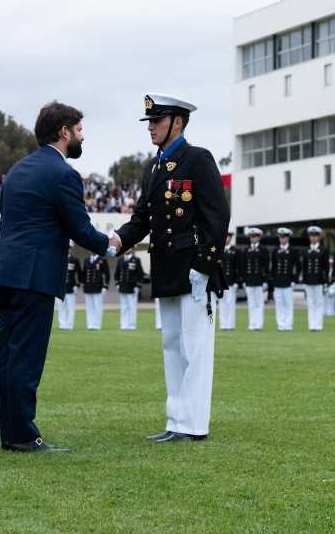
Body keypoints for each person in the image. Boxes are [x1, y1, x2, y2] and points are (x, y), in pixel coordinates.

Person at [0, 101, 113, 453]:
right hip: (34, 276)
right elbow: (80, 229)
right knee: (26, 358)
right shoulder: (63, 174)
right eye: (79, 129)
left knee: (9, 355)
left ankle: (11, 431)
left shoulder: (17, 169)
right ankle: (23, 435)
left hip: (9, 272)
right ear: (64, 132)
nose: (82, 135)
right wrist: (112, 245)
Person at [115, 93, 229, 444]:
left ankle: (194, 424)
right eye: (149, 122)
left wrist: (206, 265)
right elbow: (142, 220)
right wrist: (116, 241)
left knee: (195, 348)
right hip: (166, 268)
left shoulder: (197, 159)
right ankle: (177, 420)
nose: (150, 128)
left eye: (156, 121)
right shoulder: (153, 167)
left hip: (194, 268)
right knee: (172, 344)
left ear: (177, 123)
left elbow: (217, 216)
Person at [301, 226, 329, 332]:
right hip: (308, 280)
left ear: (318, 237)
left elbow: (325, 267)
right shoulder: (306, 250)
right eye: (311, 236)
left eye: (315, 236)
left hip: (318, 280)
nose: (313, 238)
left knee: (318, 303)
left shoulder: (323, 250)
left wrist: (325, 280)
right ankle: (312, 325)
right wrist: (304, 279)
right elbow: (304, 266)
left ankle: (318, 325)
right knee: (311, 303)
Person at [270, 227, 298, 332]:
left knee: (288, 304)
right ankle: (281, 325)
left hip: (288, 281)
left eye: (284, 237)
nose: (282, 239)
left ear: (288, 238)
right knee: (279, 305)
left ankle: (288, 325)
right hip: (278, 281)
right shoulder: (276, 251)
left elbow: (297, 266)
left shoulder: (293, 251)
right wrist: (272, 280)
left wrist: (294, 280)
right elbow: (273, 267)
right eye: (280, 237)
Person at [243, 227, 268, 330]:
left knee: (259, 304)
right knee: (251, 303)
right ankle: (252, 324)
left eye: (255, 237)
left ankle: (259, 324)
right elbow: (243, 266)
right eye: (251, 237)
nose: (252, 238)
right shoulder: (246, 250)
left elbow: (266, 266)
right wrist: (244, 280)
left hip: (259, 281)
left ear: (259, 238)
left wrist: (266, 280)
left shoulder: (263, 250)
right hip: (249, 280)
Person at [115, 248, 145, 330]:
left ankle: (132, 324)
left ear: (132, 249)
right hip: (122, 286)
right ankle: (123, 324)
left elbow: (140, 274)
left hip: (132, 287)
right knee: (124, 307)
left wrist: (138, 286)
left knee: (132, 306)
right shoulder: (120, 260)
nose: (127, 249)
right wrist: (117, 283)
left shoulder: (136, 260)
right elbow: (117, 273)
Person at [81, 252, 109, 330]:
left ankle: (97, 325)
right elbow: (84, 273)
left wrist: (105, 286)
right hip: (88, 287)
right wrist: (83, 284)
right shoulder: (86, 260)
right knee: (89, 307)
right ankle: (90, 324)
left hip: (98, 287)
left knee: (97, 307)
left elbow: (107, 273)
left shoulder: (102, 260)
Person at [219, 233, 241, 331]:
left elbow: (237, 267)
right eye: (225, 236)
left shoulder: (235, 251)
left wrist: (237, 281)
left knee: (230, 303)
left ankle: (230, 324)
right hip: (221, 281)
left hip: (231, 281)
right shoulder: (218, 250)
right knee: (222, 303)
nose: (226, 239)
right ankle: (223, 324)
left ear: (231, 239)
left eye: (228, 237)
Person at [58, 246, 80, 330]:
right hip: (61, 288)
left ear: (71, 250)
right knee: (61, 307)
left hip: (71, 287)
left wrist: (77, 285)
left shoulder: (74, 260)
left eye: (69, 248)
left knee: (71, 307)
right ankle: (62, 324)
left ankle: (70, 324)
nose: (68, 249)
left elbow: (79, 273)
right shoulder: (59, 258)